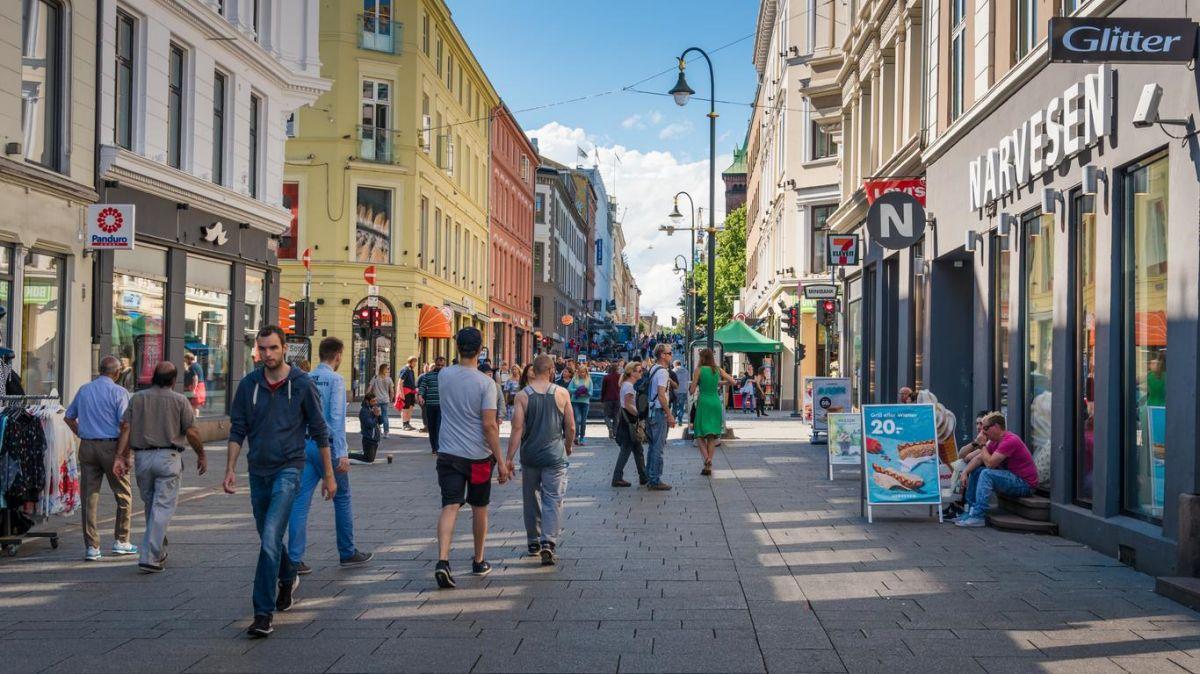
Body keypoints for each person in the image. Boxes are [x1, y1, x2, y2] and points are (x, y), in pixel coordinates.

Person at [224, 326, 334, 638]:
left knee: (271, 535)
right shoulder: (249, 385)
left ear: (284, 348)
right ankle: (287, 576)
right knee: (266, 535)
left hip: (289, 468)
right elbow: (237, 430)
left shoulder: (301, 384)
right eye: (262, 349)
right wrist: (230, 468)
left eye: (273, 348)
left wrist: (328, 476)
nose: (267, 354)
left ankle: (262, 613)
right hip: (258, 470)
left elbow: (320, 429)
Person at [288, 337, 372, 575]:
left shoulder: (305, 378)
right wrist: (342, 453)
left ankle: (295, 559)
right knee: (342, 498)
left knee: (300, 502)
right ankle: (347, 552)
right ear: (337, 356)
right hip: (329, 446)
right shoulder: (335, 380)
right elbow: (336, 418)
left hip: (306, 445)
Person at [433, 328, 509, 589]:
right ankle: (478, 560)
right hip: (478, 457)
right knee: (479, 507)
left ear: (457, 347)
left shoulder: (444, 375)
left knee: (450, 506)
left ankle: (443, 560)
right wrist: (500, 460)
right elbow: (489, 425)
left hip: (449, 453)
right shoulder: (486, 384)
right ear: (479, 351)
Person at [113, 361, 206, 573]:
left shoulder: (138, 398)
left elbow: (126, 426)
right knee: (162, 507)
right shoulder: (180, 401)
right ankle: (150, 556)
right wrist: (201, 454)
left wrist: (121, 455)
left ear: (153, 377)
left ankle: (159, 549)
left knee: (151, 505)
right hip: (168, 457)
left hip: (143, 458)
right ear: (173, 380)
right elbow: (191, 432)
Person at [65, 356, 136, 561]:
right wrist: (124, 454)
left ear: (100, 370)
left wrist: (82, 433)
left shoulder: (84, 390)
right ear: (117, 372)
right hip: (111, 445)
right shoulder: (120, 392)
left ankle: (92, 547)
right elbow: (125, 425)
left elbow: (69, 417)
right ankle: (121, 541)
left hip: (87, 446)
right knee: (123, 494)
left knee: (89, 497)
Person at [505, 354, 573, 564]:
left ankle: (533, 540)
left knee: (530, 497)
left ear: (533, 370)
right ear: (552, 370)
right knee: (553, 498)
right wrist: (568, 446)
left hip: (530, 455)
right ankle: (548, 542)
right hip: (554, 455)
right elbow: (570, 427)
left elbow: (517, 428)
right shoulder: (562, 393)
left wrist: (509, 458)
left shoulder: (523, 396)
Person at [954, 412, 1039, 528]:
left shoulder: (1010, 440)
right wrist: (965, 473)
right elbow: (978, 458)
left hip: (1025, 484)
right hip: (1012, 478)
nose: (983, 431)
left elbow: (990, 464)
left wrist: (982, 445)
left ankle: (978, 516)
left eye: (986, 428)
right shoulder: (994, 442)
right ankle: (970, 511)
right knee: (976, 470)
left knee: (986, 473)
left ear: (997, 427)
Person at [690, 349, 736, 477]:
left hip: (704, 402)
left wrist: (696, 384)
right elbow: (733, 381)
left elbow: (692, 390)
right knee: (711, 436)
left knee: (699, 435)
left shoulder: (699, 370)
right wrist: (721, 382)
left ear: (702, 358)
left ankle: (706, 458)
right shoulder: (717, 369)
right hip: (715, 402)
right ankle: (708, 466)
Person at [644, 343, 676, 491]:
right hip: (658, 411)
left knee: (652, 446)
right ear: (662, 355)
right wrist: (669, 415)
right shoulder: (662, 372)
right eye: (669, 353)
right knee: (658, 447)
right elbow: (662, 395)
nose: (671, 355)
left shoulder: (653, 368)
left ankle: (649, 475)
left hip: (651, 411)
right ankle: (655, 479)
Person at [612, 362, 648, 487]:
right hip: (628, 422)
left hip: (626, 421)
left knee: (638, 450)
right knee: (626, 450)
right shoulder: (628, 386)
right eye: (639, 371)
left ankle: (643, 476)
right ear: (632, 373)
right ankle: (617, 478)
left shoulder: (627, 385)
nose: (641, 373)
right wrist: (639, 414)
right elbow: (627, 404)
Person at [417, 356, 446, 455]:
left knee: (438, 427)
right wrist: (420, 396)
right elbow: (423, 386)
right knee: (431, 427)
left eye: (442, 365)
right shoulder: (428, 375)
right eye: (438, 365)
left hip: (441, 406)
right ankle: (434, 447)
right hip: (430, 405)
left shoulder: (447, 376)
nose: (440, 367)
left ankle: (438, 447)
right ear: (435, 364)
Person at [352, 392, 382, 464]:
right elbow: (370, 425)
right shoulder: (364, 411)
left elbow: (381, 422)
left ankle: (353, 454)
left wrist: (379, 415)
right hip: (368, 439)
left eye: (376, 400)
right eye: (373, 401)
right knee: (369, 459)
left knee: (370, 458)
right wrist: (376, 416)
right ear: (367, 401)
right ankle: (347, 456)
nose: (375, 403)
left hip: (375, 438)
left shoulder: (373, 408)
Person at [367, 364, 394, 437]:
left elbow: (370, 387)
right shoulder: (389, 379)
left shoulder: (375, 377)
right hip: (385, 400)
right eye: (387, 369)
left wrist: (367, 396)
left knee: (375, 415)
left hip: (377, 400)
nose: (388, 370)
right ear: (384, 369)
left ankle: (377, 430)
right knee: (385, 415)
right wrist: (391, 398)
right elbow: (392, 390)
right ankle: (386, 432)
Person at [568, 366, 591, 446]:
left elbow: (591, 392)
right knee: (577, 419)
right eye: (580, 372)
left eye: (583, 372)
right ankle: (576, 436)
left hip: (585, 402)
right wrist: (578, 390)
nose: (581, 373)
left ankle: (582, 438)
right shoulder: (574, 379)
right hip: (575, 401)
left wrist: (585, 392)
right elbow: (569, 389)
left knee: (583, 421)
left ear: (586, 372)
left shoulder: (589, 380)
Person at [600, 363, 621, 439]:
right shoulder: (620, 376)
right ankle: (615, 432)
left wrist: (602, 399)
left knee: (606, 415)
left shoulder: (606, 377)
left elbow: (603, 389)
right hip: (617, 398)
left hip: (608, 398)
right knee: (616, 416)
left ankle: (610, 428)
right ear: (617, 369)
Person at [398, 356, 419, 431]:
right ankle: (404, 424)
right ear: (410, 362)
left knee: (410, 407)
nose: (415, 364)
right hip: (406, 392)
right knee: (405, 408)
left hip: (411, 391)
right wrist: (401, 393)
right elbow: (400, 382)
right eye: (414, 362)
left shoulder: (411, 370)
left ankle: (408, 423)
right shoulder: (405, 370)